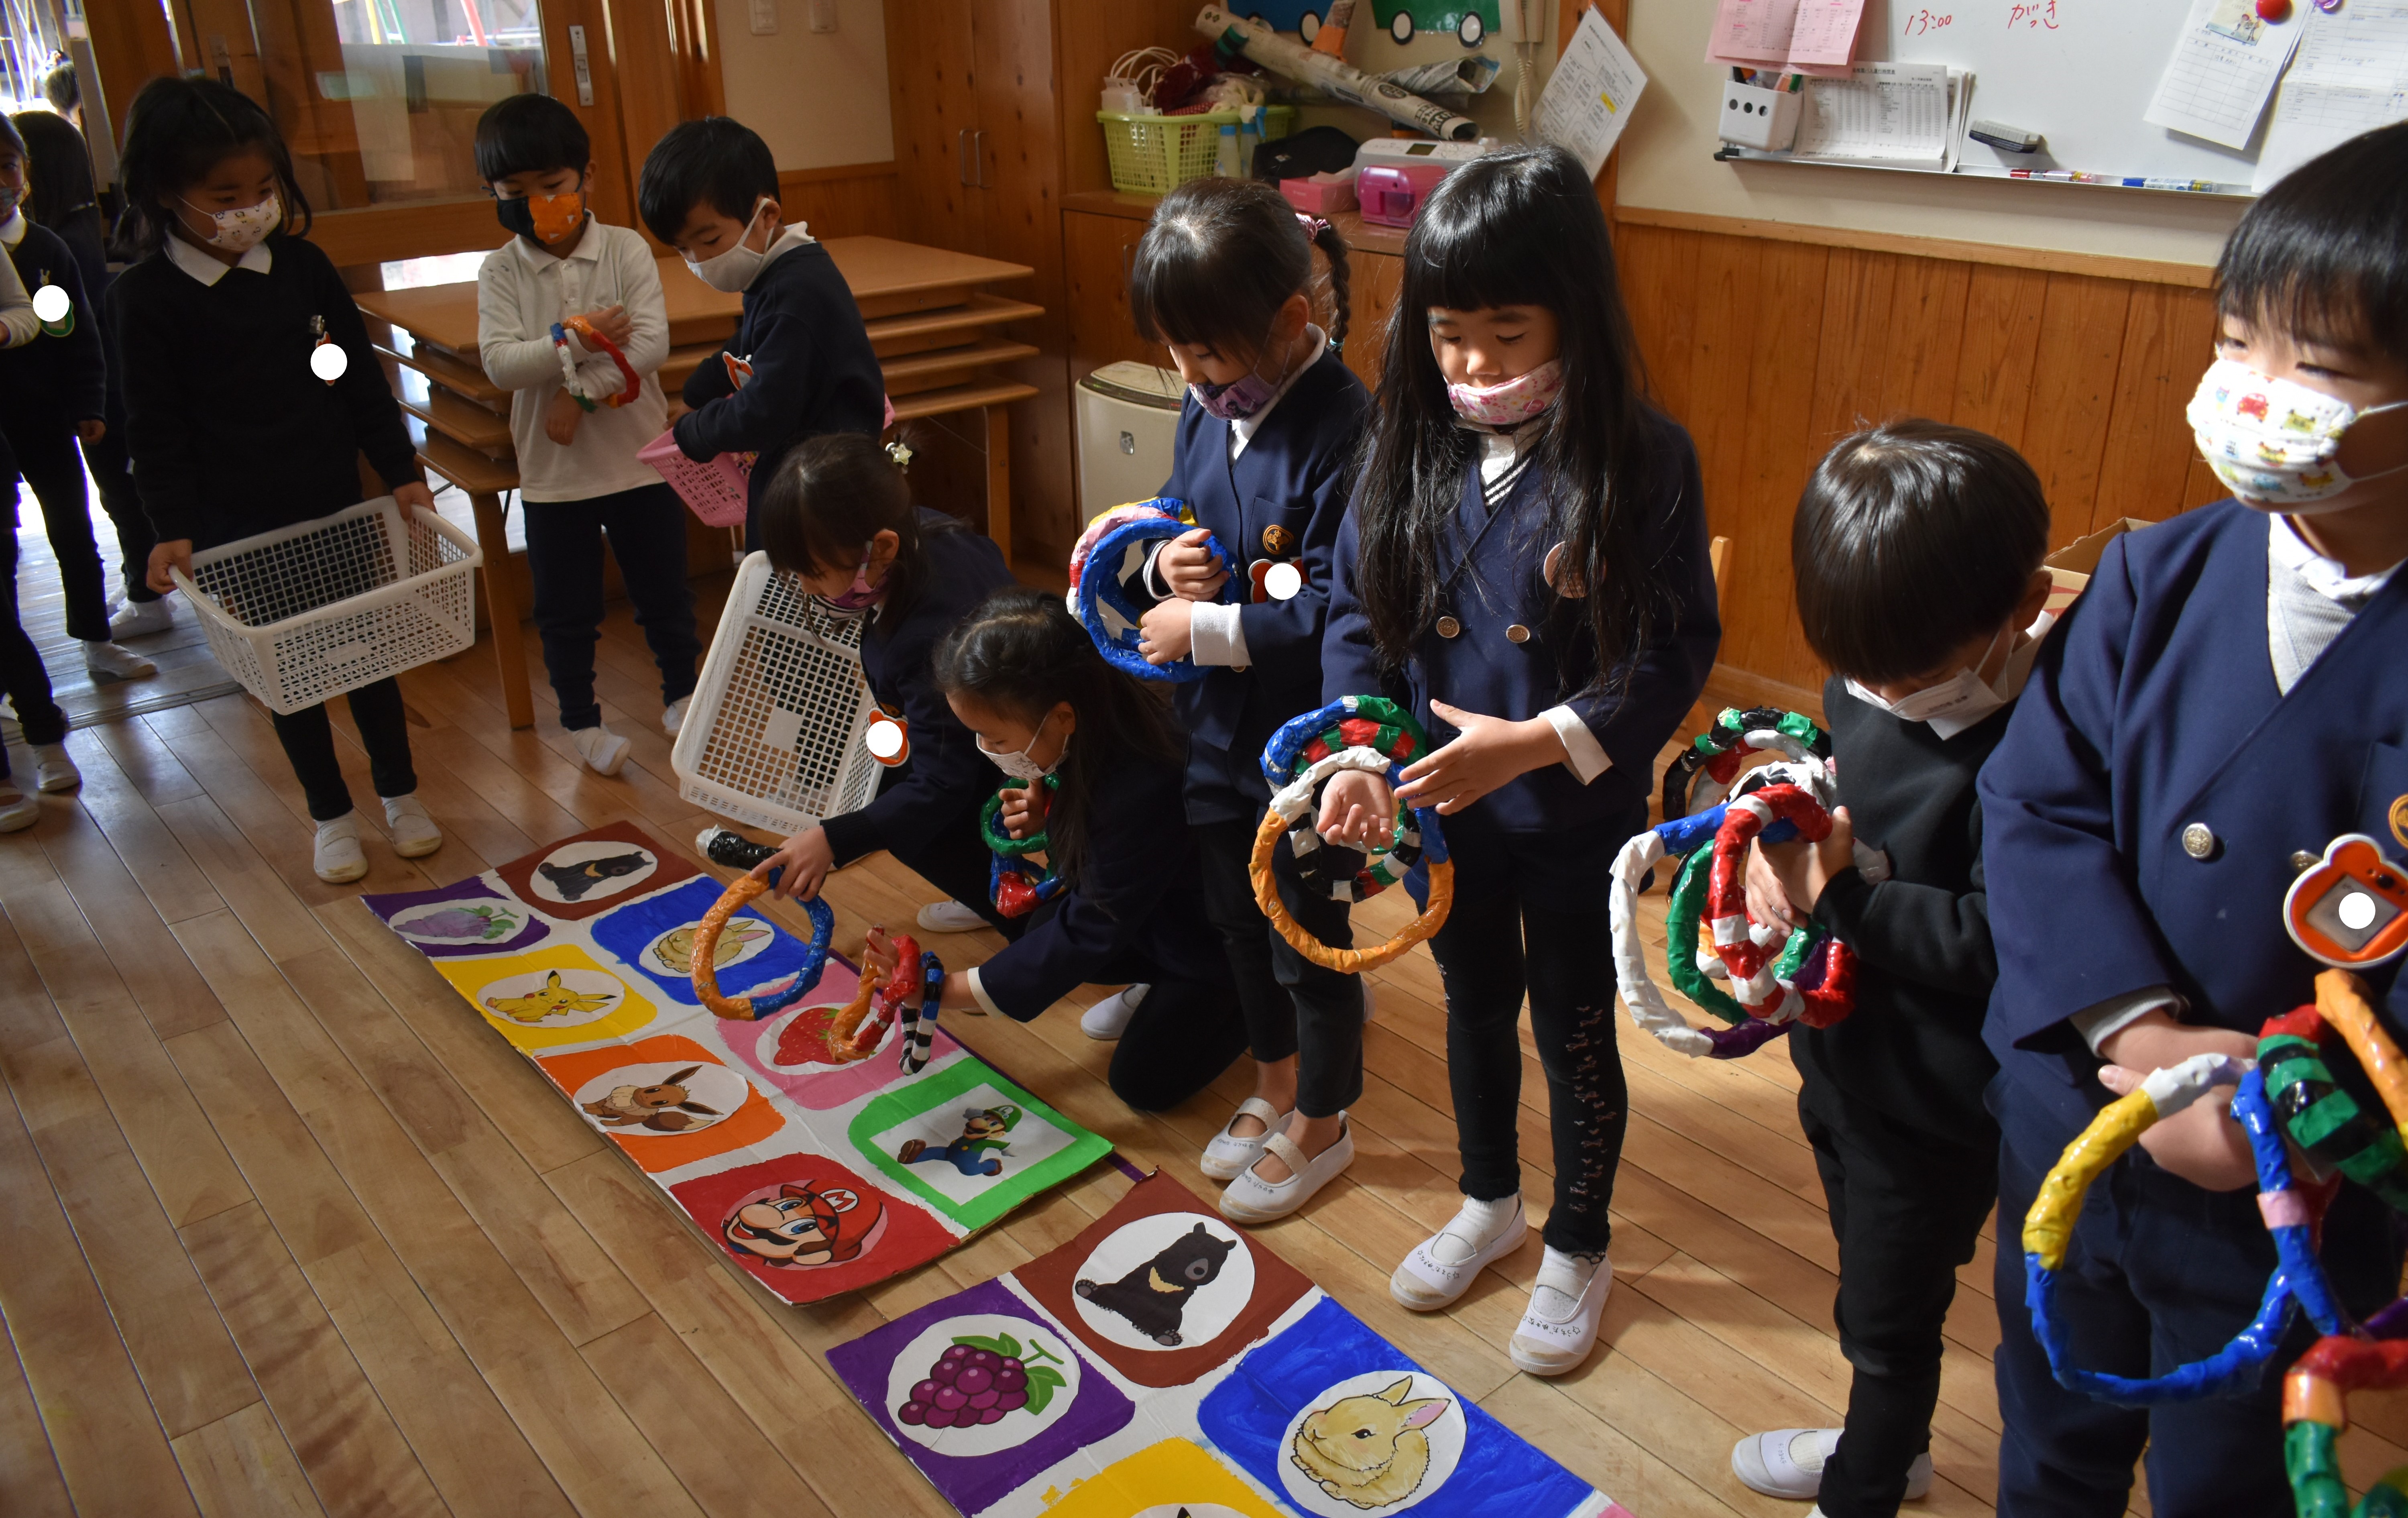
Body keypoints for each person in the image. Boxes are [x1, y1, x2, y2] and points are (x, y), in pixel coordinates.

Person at [1981, 122, 2408, 1517]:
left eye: (2318, 367)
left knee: (2230, 1476)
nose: (2252, 394)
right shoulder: (2154, 573)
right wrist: (2138, 1033)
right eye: (2235, 343)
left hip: (2295, 1185)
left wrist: (2295, 1114)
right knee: (2046, 1424)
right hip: (2077, 1112)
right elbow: (2034, 799)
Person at [1316, 145, 1718, 1377]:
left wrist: (1539, 743)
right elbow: (1351, 618)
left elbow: (1671, 649)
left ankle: (1579, 1236)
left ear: (1573, 318)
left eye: (1505, 333)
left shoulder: (1641, 458)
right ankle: (1488, 1199)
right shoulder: (1405, 443)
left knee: (1573, 1024)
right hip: (1442, 815)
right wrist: (1357, 753)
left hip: (1570, 812)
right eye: (1449, 336)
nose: (1474, 367)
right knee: (1472, 1005)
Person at [1724, 421, 2053, 1518]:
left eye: (1908, 672)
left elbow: (1996, 942)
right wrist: (1779, 847)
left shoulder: (2043, 747)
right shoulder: (1867, 678)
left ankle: (1864, 1480)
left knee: (1888, 1317)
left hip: (1940, 1100)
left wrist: (1840, 899)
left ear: (2022, 605)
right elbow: (1832, 778)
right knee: (1860, 1259)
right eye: (1854, 667)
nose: (1875, 689)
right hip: (1840, 1052)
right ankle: (1887, 1433)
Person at [109, 77, 443, 883]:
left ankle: (399, 794)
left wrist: (400, 472)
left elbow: (358, 377)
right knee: (288, 675)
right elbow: (152, 428)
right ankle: (329, 812)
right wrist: (172, 525)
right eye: (226, 195)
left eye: (262, 190)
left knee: (365, 656)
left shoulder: (301, 268)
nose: (249, 208)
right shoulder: (145, 299)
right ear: (168, 194)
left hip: (330, 501)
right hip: (235, 524)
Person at [1117, 175, 1372, 1222]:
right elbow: (1179, 511)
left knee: (1307, 934)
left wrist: (1204, 627)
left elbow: (1333, 607)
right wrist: (1164, 563)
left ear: (1287, 323)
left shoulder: (1343, 425)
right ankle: (1271, 1080)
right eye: (1174, 352)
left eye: (1206, 353)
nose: (1188, 374)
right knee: (1236, 920)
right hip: (1215, 729)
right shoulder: (1205, 400)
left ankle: (1323, 1115)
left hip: (1306, 747)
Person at [851, 585, 1245, 1114]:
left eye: (995, 738)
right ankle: (1163, 981)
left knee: (1143, 1083)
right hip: (1162, 906)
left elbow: (1091, 923)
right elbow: (1103, 871)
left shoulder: (1144, 778)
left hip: (1223, 939)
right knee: (1041, 931)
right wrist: (1050, 814)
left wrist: (943, 989)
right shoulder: (1095, 722)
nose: (988, 752)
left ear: (1062, 716)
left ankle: (1282, 997)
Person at [473, 92, 699, 774]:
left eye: (552, 186)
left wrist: (575, 391)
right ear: (493, 193)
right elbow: (502, 364)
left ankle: (681, 697)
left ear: (587, 178)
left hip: (636, 460)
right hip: (555, 477)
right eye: (515, 191)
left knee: (664, 590)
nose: (537, 203)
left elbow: (652, 347)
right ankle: (581, 723)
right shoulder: (500, 270)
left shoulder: (625, 250)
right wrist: (582, 336)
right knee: (565, 611)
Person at [747, 432, 1018, 923]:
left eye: (812, 574)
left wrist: (833, 838)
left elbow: (942, 783)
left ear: (882, 549)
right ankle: (997, 883)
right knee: (893, 780)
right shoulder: (932, 528)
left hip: (1005, 742)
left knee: (901, 815)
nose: (804, 588)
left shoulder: (925, 642)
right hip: (999, 714)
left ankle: (1014, 914)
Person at [635, 117, 883, 551]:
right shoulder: (777, 273)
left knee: (805, 600)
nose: (698, 261)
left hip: (822, 487)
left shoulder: (798, 290)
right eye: (683, 250)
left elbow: (766, 412)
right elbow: (751, 346)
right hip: (805, 472)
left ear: (766, 213)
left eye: (709, 240)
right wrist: (702, 385)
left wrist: (694, 431)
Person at [0, 113, 150, 682]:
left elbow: (75, 336)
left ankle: (95, 639)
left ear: (26, 172)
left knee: (74, 533)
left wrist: (88, 404)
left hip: (46, 420)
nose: (1, 180)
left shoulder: (46, 251)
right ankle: (11, 674)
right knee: (3, 553)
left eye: (7, 166)